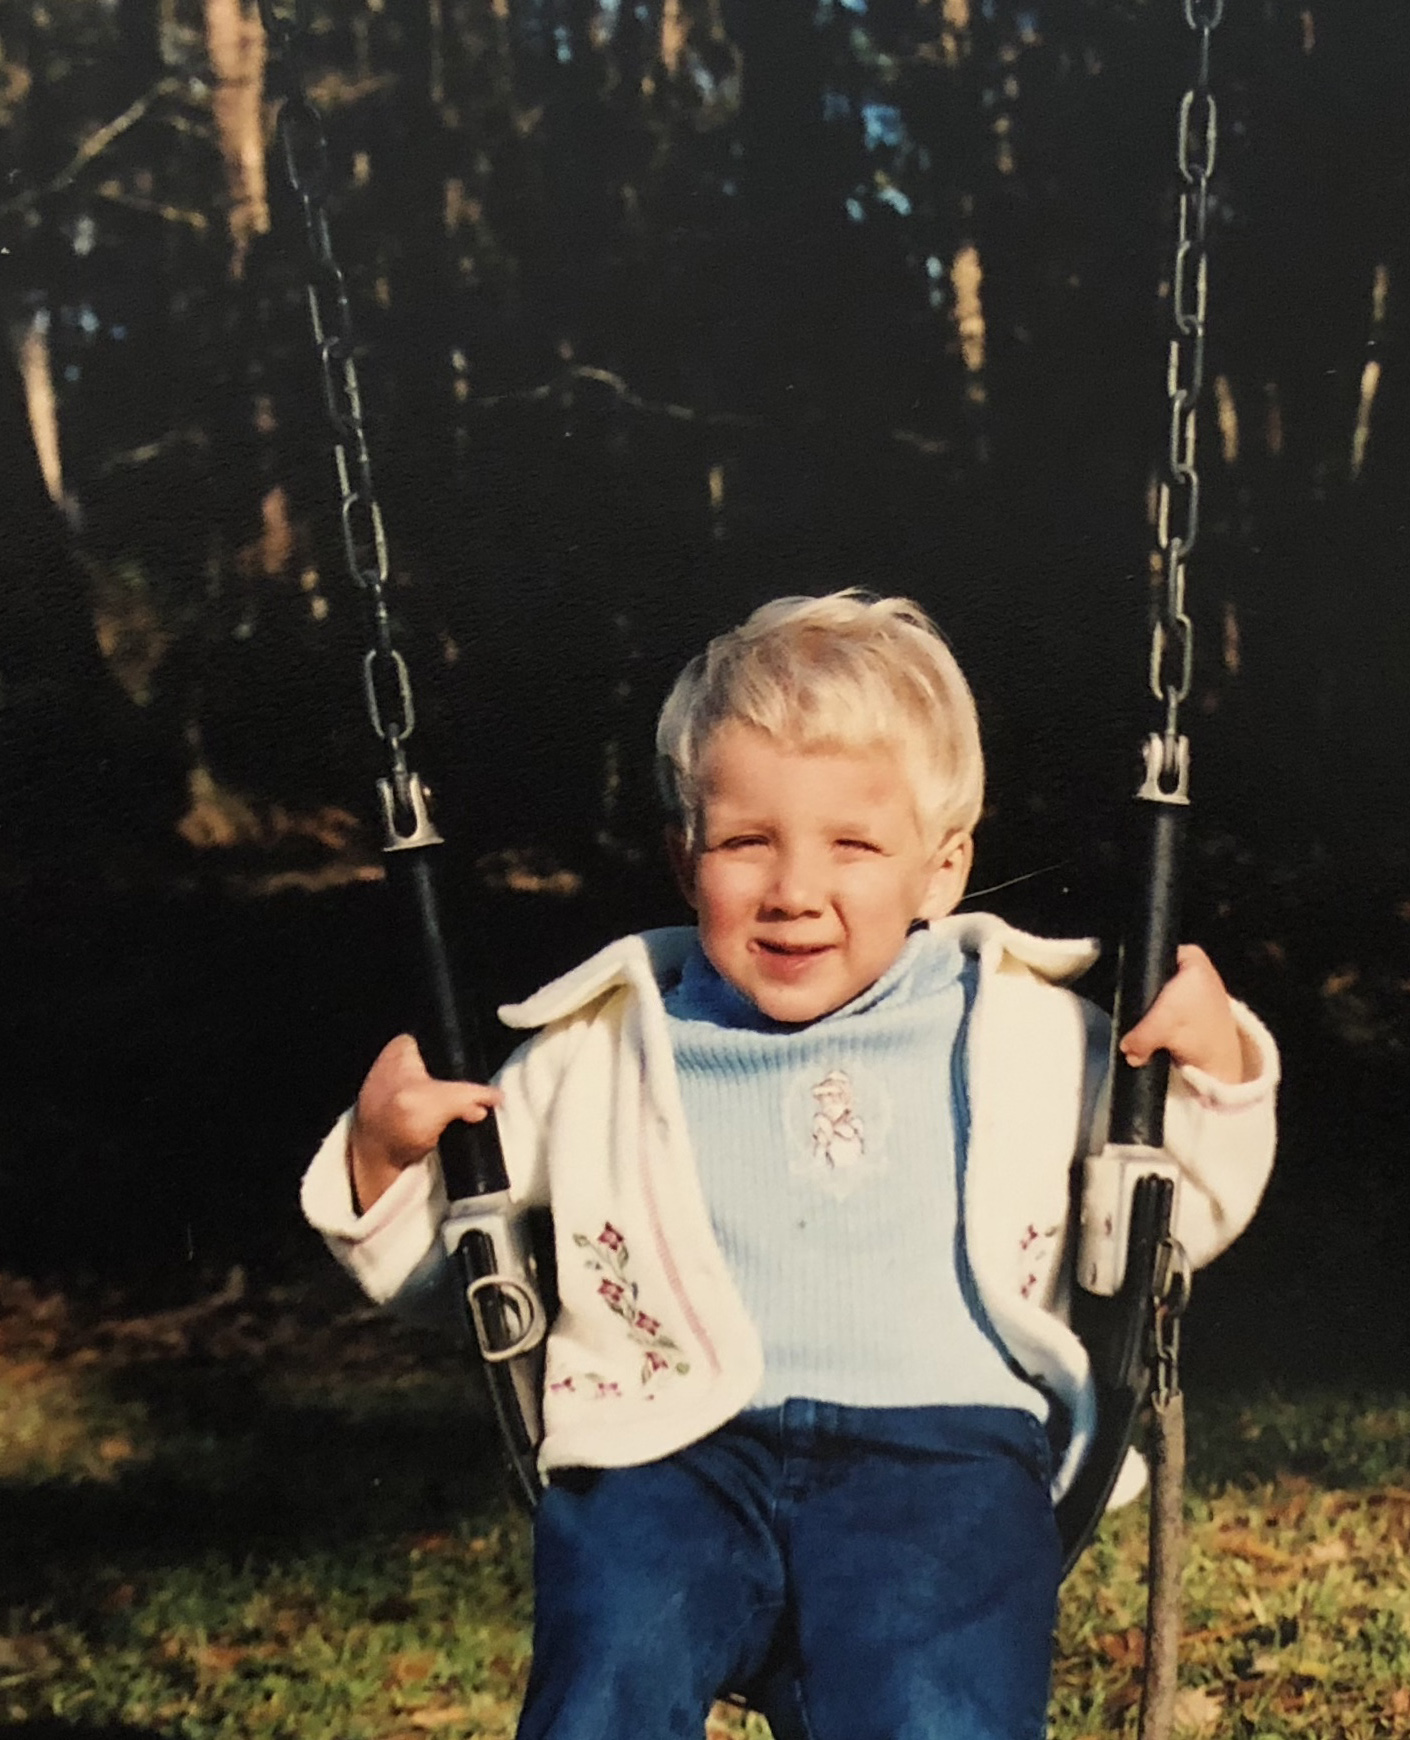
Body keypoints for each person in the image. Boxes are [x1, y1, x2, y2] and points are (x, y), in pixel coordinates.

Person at [301, 591, 1279, 1740]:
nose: (794, 891)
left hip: (947, 1445)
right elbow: (461, 1269)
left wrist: (1211, 1064)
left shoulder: (1020, 1029)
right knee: (605, 1670)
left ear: (941, 867)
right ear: (684, 857)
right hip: (670, 1450)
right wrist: (384, 1157)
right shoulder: (605, 1047)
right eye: (746, 842)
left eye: (854, 845)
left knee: (934, 1705)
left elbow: (1176, 1202)